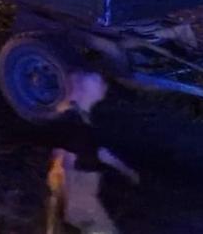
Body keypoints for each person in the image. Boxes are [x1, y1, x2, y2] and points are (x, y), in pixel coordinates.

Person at [44, 71, 139, 234]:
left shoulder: (82, 119)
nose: (104, 87)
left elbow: (95, 151)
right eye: (98, 84)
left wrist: (126, 170)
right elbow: (66, 157)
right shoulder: (74, 121)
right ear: (82, 89)